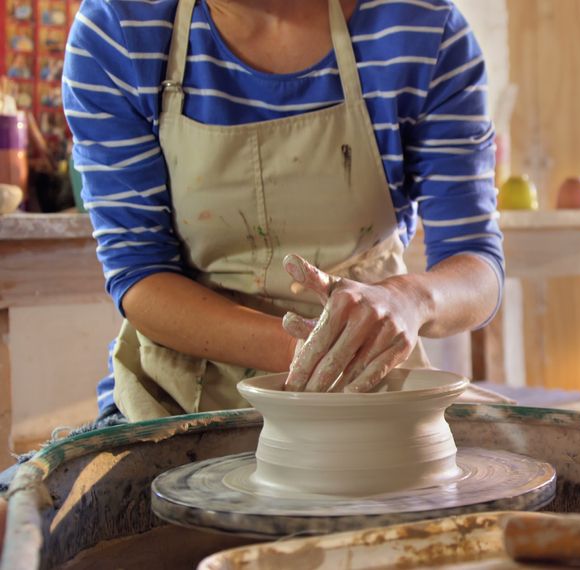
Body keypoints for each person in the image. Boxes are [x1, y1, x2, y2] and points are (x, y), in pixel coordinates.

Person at [63, 0, 504, 422]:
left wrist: (409, 300)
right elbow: (140, 279)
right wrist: (315, 352)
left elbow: (477, 270)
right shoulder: (119, 30)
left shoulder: (421, 30)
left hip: (368, 395)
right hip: (179, 402)